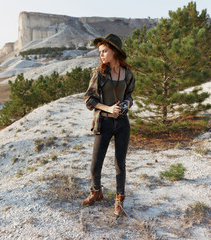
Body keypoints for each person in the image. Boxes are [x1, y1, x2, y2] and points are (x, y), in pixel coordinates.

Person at [82, 34, 135, 216]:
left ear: (115, 51)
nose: (102, 55)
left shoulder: (127, 74)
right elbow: (89, 100)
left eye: (105, 51)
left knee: (120, 163)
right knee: (96, 164)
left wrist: (126, 104)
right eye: (100, 52)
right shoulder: (99, 74)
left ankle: (119, 202)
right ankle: (96, 192)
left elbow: (129, 96)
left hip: (122, 123)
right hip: (103, 122)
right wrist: (108, 108)